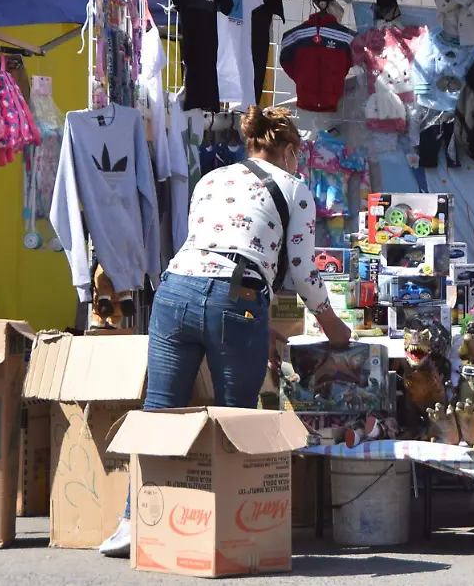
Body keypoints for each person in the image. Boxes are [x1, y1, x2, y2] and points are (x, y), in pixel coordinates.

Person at [100, 105, 353, 557]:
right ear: (291, 150)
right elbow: (299, 268)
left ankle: (132, 521)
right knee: (236, 416)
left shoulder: (211, 179)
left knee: (160, 410)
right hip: (236, 299)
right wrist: (334, 326)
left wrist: (262, 321)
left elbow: (221, 247)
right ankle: (227, 526)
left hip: (175, 289)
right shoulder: (294, 188)